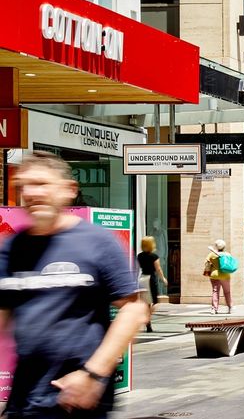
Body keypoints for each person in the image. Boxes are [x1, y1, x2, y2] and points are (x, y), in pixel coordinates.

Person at [0, 152, 148, 418]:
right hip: (25, 399)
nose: (31, 193)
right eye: (23, 186)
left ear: (69, 190)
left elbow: (133, 310)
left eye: (41, 184)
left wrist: (92, 374)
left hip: (78, 399)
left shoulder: (97, 242)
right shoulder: (11, 248)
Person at [137, 235, 168, 333]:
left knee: (146, 302)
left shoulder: (140, 256)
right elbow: (158, 269)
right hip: (150, 279)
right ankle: (147, 318)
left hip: (142, 278)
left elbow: (136, 267)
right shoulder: (154, 256)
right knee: (155, 301)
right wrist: (163, 279)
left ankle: (148, 323)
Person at [206, 240, 234, 314]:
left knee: (215, 292)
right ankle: (230, 307)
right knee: (227, 292)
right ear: (224, 247)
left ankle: (214, 309)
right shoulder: (227, 254)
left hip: (214, 275)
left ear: (216, 246)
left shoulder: (211, 254)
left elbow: (207, 263)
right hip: (225, 275)